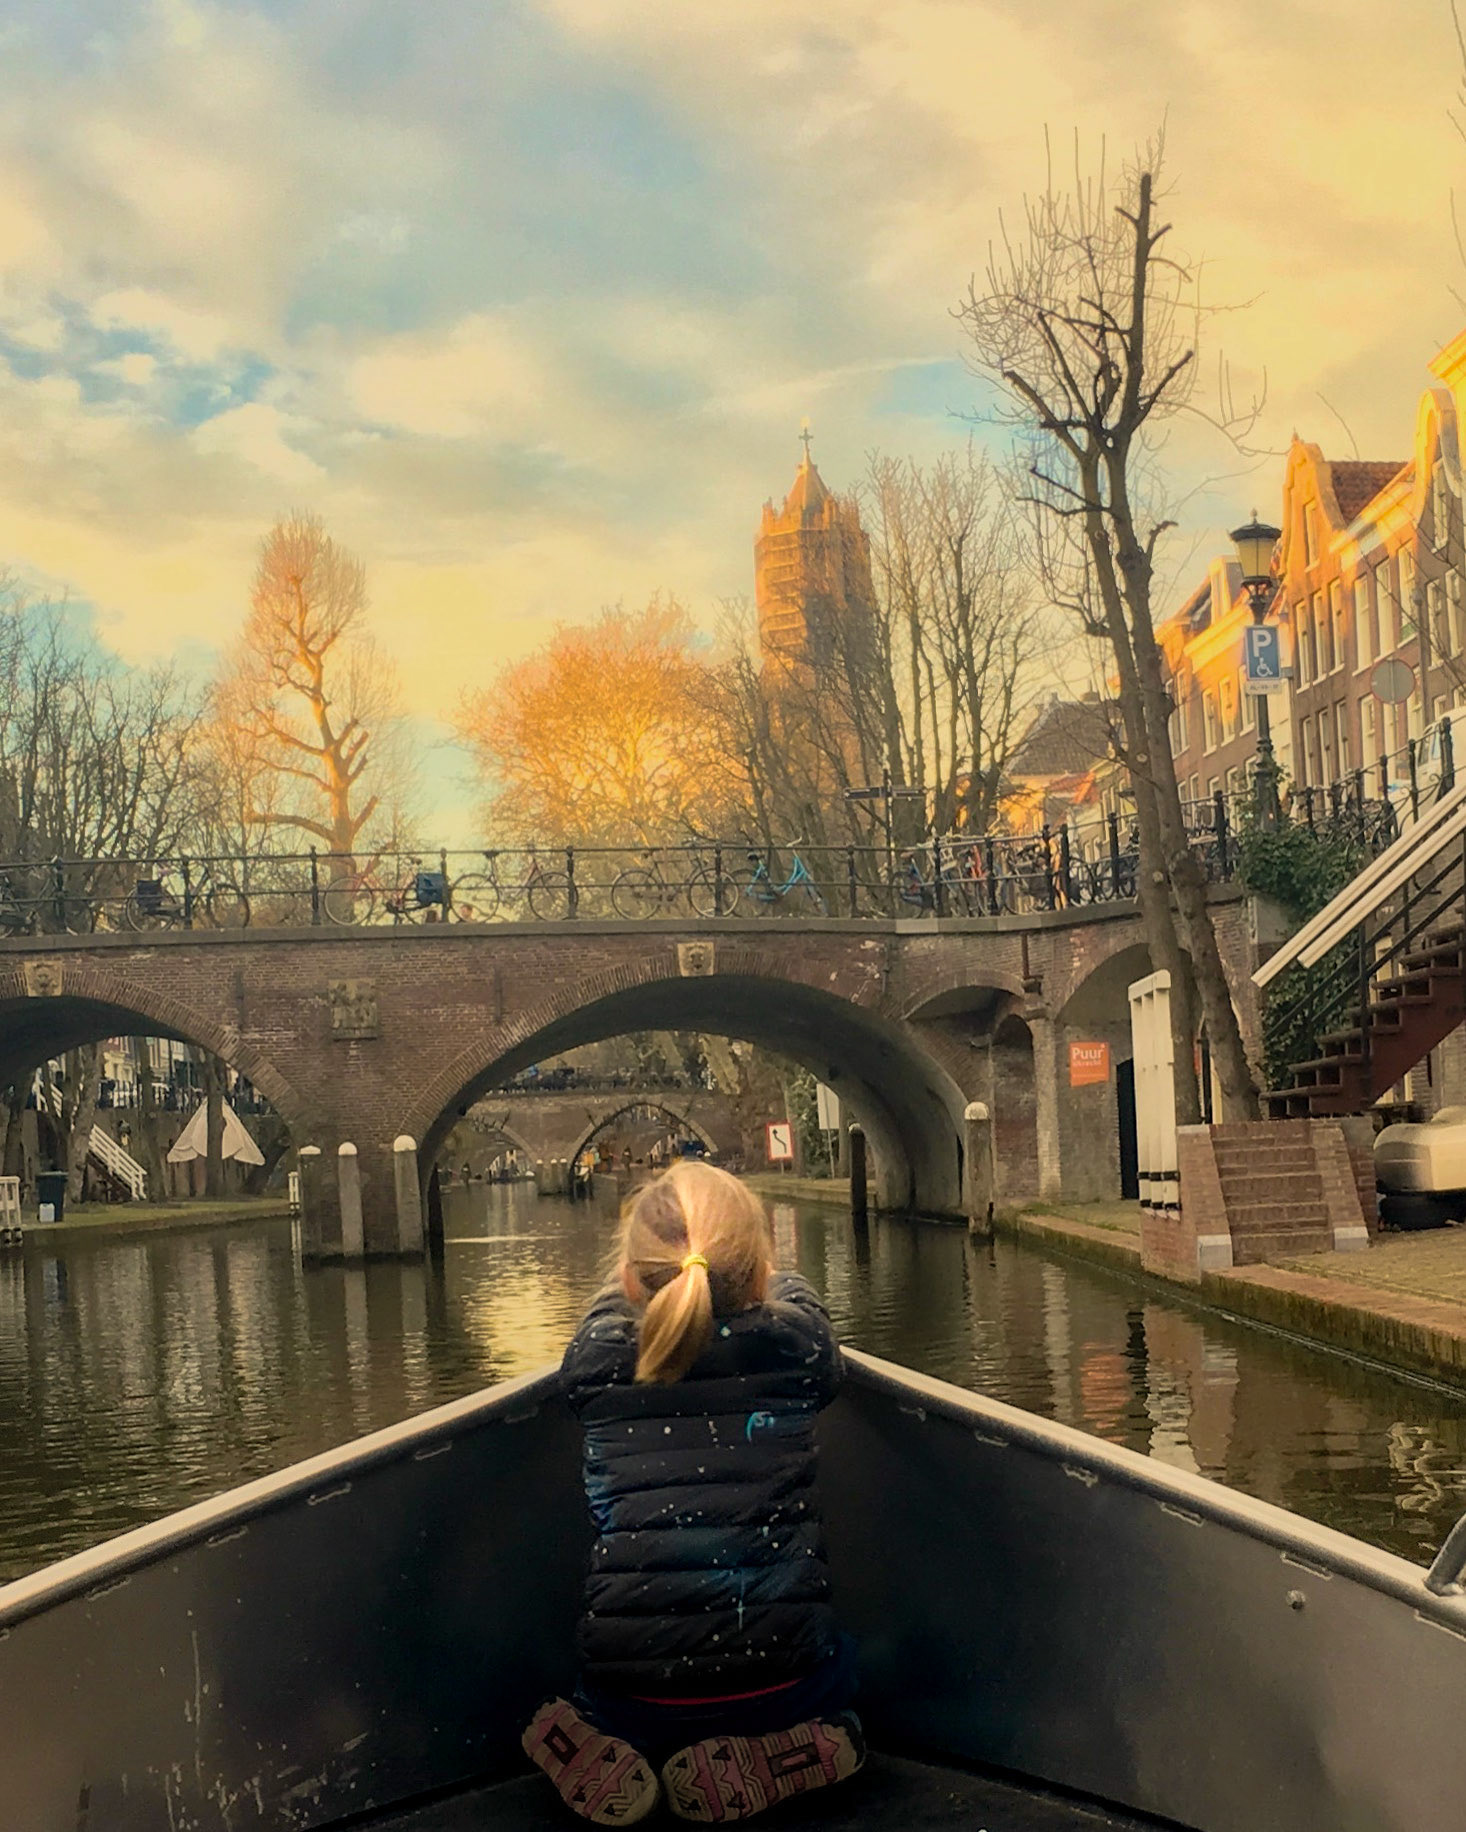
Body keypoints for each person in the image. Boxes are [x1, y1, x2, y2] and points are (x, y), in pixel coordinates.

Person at [523, 1161, 862, 1825]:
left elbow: (601, 1318)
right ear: (761, 1275)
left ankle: (589, 1745)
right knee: (843, 1672)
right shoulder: (797, 1353)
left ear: (628, 1279)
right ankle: (822, 1744)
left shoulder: (595, 1364)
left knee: (585, 1692)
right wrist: (774, 1277)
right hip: (781, 1687)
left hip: (632, 1697)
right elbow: (810, 1319)